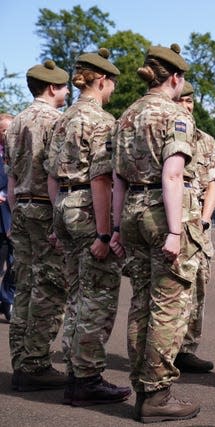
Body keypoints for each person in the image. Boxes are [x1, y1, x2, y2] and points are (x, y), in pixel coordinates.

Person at [112, 43, 201, 423]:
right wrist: (175, 231)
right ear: (176, 78)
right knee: (168, 306)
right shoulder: (174, 114)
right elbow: (173, 174)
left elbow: (116, 178)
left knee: (141, 304)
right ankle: (157, 395)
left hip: (132, 210)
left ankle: (143, 387)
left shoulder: (127, 115)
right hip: (161, 212)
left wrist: (115, 227)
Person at [45, 48, 130, 406]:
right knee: (97, 298)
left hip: (64, 206)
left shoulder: (62, 118)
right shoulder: (101, 121)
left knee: (77, 298)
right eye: (111, 83)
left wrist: (56, 219)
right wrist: (104, 231)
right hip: (87, 210)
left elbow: (51, 175)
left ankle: (75, 375)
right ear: (102, 80)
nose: (111, 90)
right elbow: (100, 179)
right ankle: (87, 379)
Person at [5, 60, 70, 392]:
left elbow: (12, 176)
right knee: (50, 289)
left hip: (22, 208)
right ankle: (36, 363)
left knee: (26, 287)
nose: (68, 91)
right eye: (64, 86)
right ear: (52, 88)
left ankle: (21, 361)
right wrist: (59, 222)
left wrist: (16, 211)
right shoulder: (55, 121)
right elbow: (55, 173)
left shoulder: (15, 123)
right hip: (45, 207)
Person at [173, 81, 215, 373]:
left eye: (190, 102)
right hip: (171, 221)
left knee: (198, 286)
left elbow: (212, 183)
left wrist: (204, 218)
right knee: (170, 290)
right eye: (181, 101)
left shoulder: (205, 140)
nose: (186, 107)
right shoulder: (164, 133)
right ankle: (163, 350)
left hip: (198, 226)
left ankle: (186, 349)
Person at [0, 113, 14, 321]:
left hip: (16, 218)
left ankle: (7, 299)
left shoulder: (22, 153)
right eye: (3, 130)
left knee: (16, 264)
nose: (7, 134)